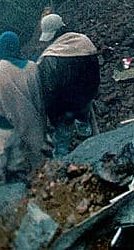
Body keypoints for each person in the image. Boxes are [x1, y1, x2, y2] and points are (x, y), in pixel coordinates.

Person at [0, 31, 44, 188]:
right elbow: (37, 96)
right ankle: (13, 186)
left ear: (0, 48)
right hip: (25, 125)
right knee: (16, 159)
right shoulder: (32, 68)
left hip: (0, 126)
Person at [36, 13, 100, 158]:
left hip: (63, 111)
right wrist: (92, 95)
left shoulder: (50, 57)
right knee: (87, 133)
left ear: (55, 33)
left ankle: (61, 167)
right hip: (84, 103)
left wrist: (52, 118)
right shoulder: (85, 42)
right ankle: (94, 155)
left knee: (61, 145)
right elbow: (95, 76)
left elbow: (50, 92)